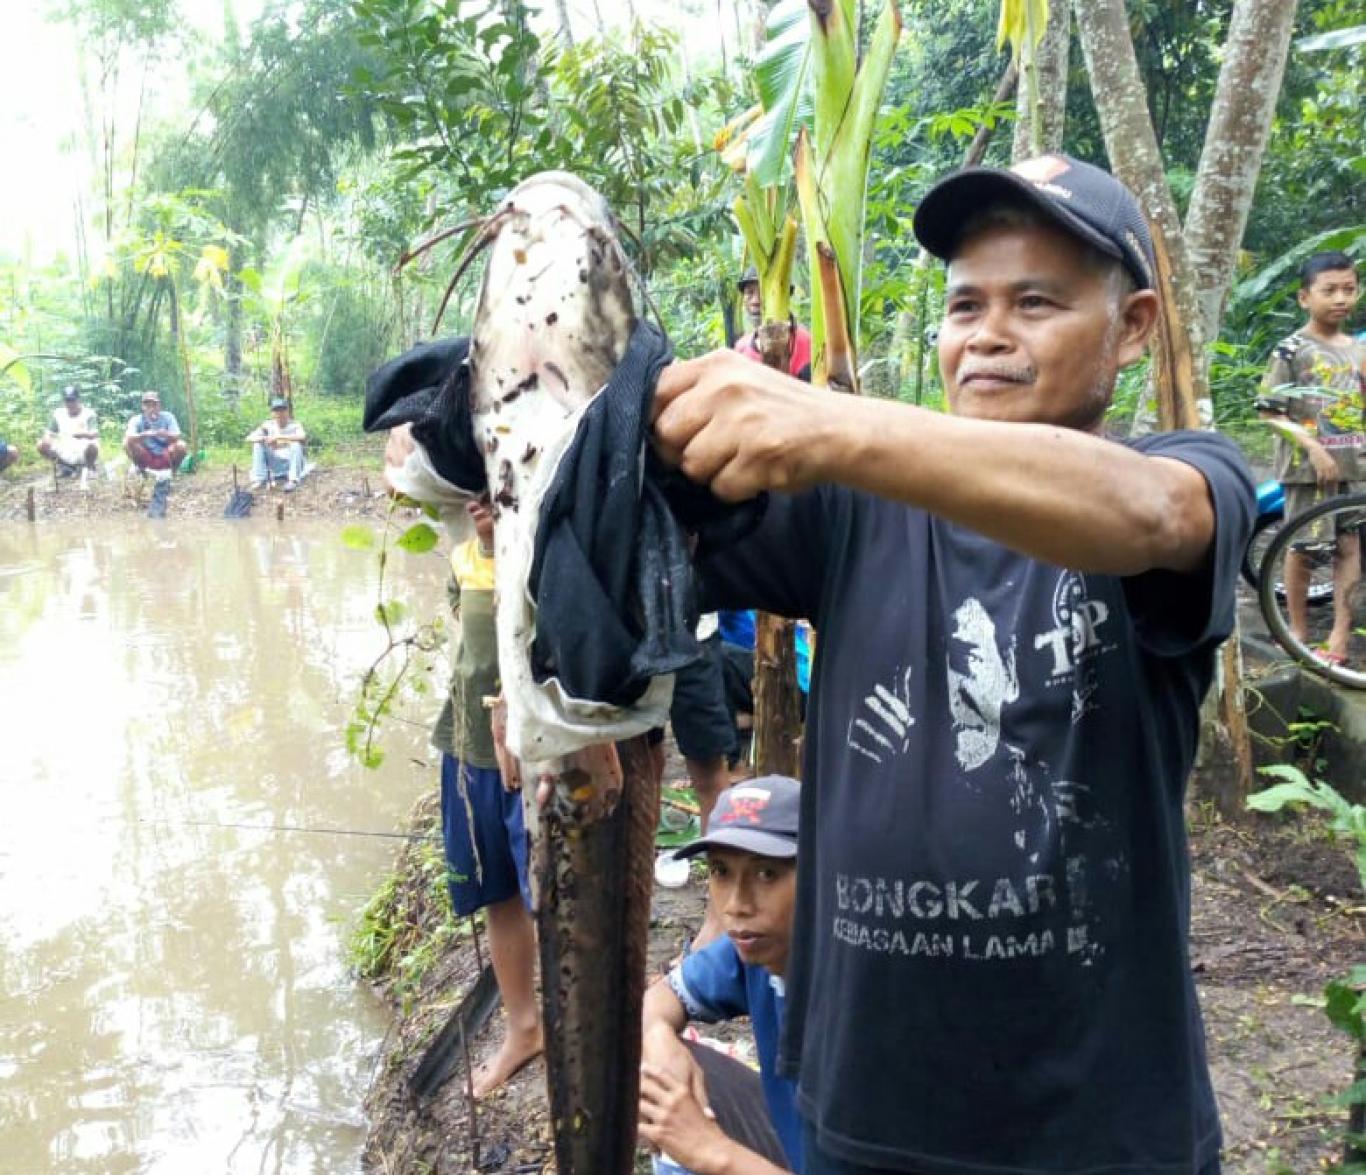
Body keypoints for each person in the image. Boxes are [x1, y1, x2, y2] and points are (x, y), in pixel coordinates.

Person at [652, 154, 1254, 1174]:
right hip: (870, 1117)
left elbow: (1147, 513)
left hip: (1099, 1130)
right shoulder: (848, 511)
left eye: (1034, 302)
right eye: (964, 303)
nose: (985, 333)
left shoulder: (1191, 476)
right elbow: (660, 541)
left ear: (1134, 323)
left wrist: (830, 419)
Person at [432, 496, 542, 1097]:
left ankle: (584, 1023)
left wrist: (514, 706)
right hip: (470, 748)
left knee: (549, 890)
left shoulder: (545, 558)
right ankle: (524, 1027)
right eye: (473, 492)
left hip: (531, 749)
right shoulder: (462, 561)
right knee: (498, 890)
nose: (484, 505)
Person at [640, 775, 803, 1175]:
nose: (736, 904)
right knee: (657, 1079)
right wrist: (661, 1041)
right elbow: (657, 1003)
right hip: (796, 1143)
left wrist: (713, 1153)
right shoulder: (748, 952)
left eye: (767, 873)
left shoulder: (857, 995)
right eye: (721, 871)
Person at [1257, 251, 1363, 667]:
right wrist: (1314, 447)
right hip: (1308, 473)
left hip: (1353, 469)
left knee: (1349, 550)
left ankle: (1339, 634)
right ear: (1305, 298)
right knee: (1302, 549)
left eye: (1349, 289)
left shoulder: (1357, 349)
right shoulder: (1290, 350)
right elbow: (1270, 412)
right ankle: (1296, 631)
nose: (1341, 298)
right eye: (1330, 290)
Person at [734, 268, 813, 381]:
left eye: (763, 293)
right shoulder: (741, 348)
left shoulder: (804, 343)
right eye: (749, 293)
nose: (755, 301)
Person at [247, 397, 309, 490]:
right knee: (257, 444)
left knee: (296, 444)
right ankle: (259, 479)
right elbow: (249, 438)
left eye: (282, 410)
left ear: (287, 411)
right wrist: (266, 440)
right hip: (275, 461)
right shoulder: (268, 425)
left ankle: (293, 481)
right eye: (276, 410)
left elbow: (302, 437)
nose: (279, 413)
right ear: (272, 413)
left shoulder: (295, 425)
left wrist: (278, 438)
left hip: (292, 462)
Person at [38, 386, 100, 475]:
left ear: (78, 400)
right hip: (64, 446)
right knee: (41, 445)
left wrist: (82, 434)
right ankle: (65, 466)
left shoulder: (88, 414)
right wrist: (47, 439)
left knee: (92, 446)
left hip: (83, 447)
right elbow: (49, 432)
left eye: (72, 400)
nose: (70, 404)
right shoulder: (58, 414)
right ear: (64, 401)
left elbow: (94, 433)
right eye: (67, 400)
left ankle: (89, 467)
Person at [124, 390, 186, 479]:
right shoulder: (136, 419)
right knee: (127, 443)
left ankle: (173, 472)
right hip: (146, 454)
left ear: (159, 405)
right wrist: (144, 435)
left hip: (165, 454)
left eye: (154, 404)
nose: (151, 408)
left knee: (181, 445)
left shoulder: (168, 417)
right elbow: (129, 436)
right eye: (147, 405)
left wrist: (166, 434)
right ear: (143, 407)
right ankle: (142, 471)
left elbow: (177, 436)